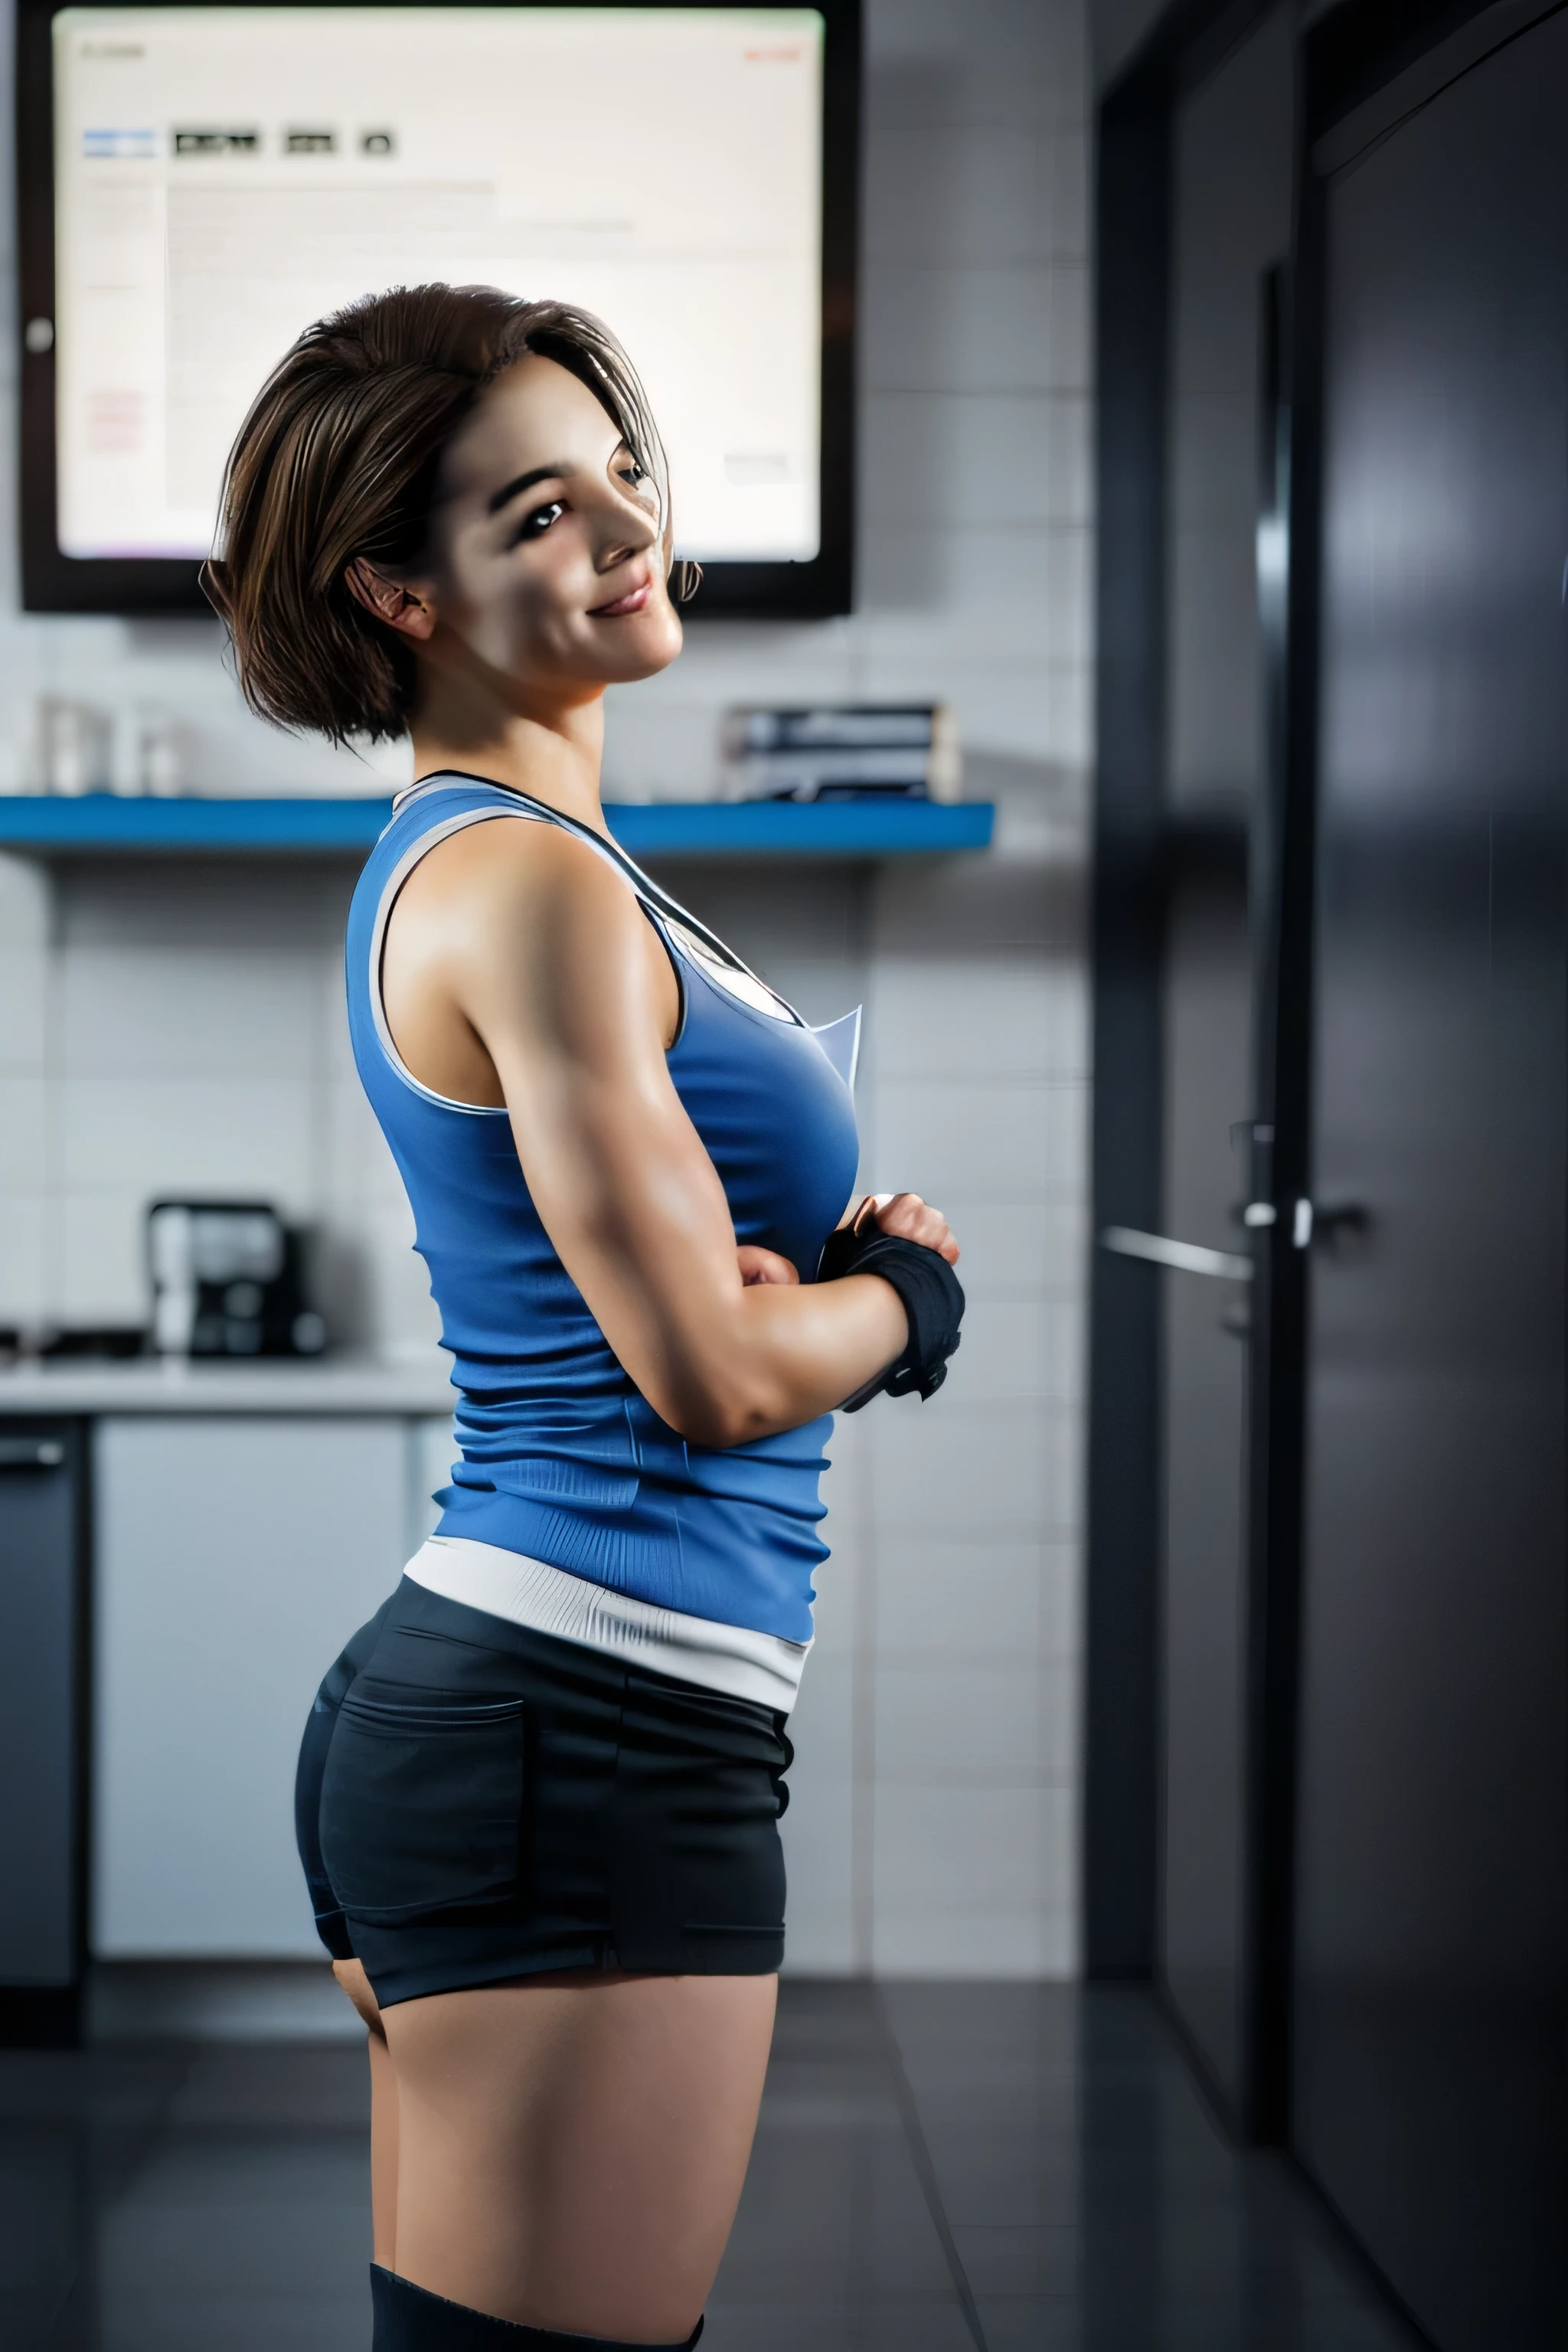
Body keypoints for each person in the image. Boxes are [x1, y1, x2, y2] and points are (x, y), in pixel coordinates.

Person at [204, 283, 965, 2352]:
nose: (627, 530)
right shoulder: (522, 887)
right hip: (590, 1727)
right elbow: (713, 1376)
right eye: (539, 511)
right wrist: (901, 1302)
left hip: (535, 1715)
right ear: (398, 590)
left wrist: (821, 1295)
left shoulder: (526, 862)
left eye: (620, 476)